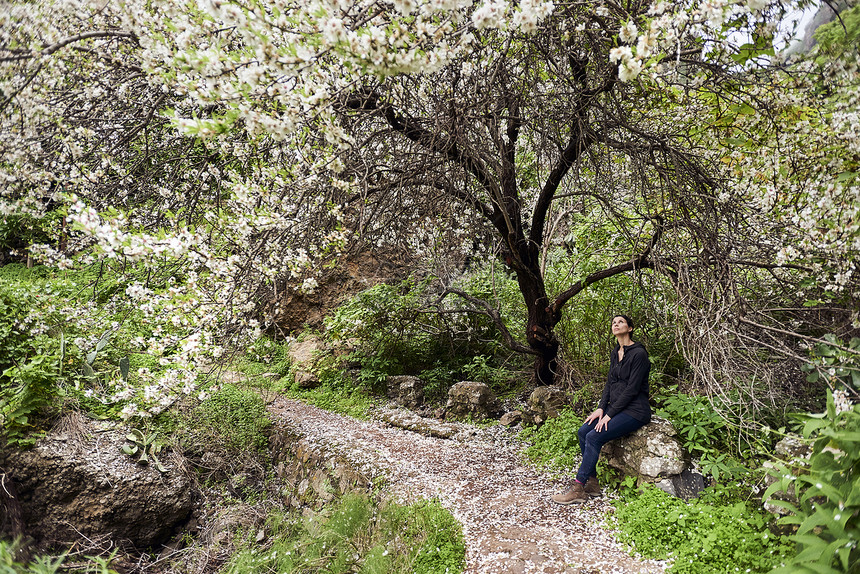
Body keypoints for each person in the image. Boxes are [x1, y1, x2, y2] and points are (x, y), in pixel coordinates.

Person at [551, 314, 651, 505]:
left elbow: (632, 389)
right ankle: (593, 483)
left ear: (630, 328)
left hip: (635, 411)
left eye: (621, 322)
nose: (616, 324)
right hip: (617, 409)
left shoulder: (639, 354)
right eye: (613, 322)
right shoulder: (616, 352)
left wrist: (610, 414)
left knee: (593, 436)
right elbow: (610, 384)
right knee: (583, 432)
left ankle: (578, 487)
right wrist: (601, 409)